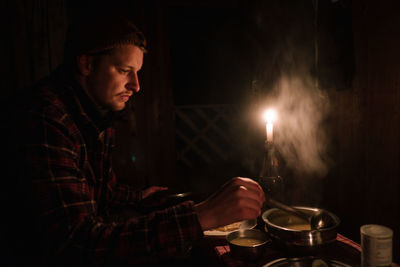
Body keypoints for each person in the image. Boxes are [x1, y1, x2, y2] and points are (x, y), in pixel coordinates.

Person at [15, 13, 265, 266]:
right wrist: (201, 216)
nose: (136, 86)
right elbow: (76, 243)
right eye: (125, 71)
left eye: (137, 72)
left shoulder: (94, 111)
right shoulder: (45, 117)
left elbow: (101, 192)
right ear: (86, 64)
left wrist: (142, 198)